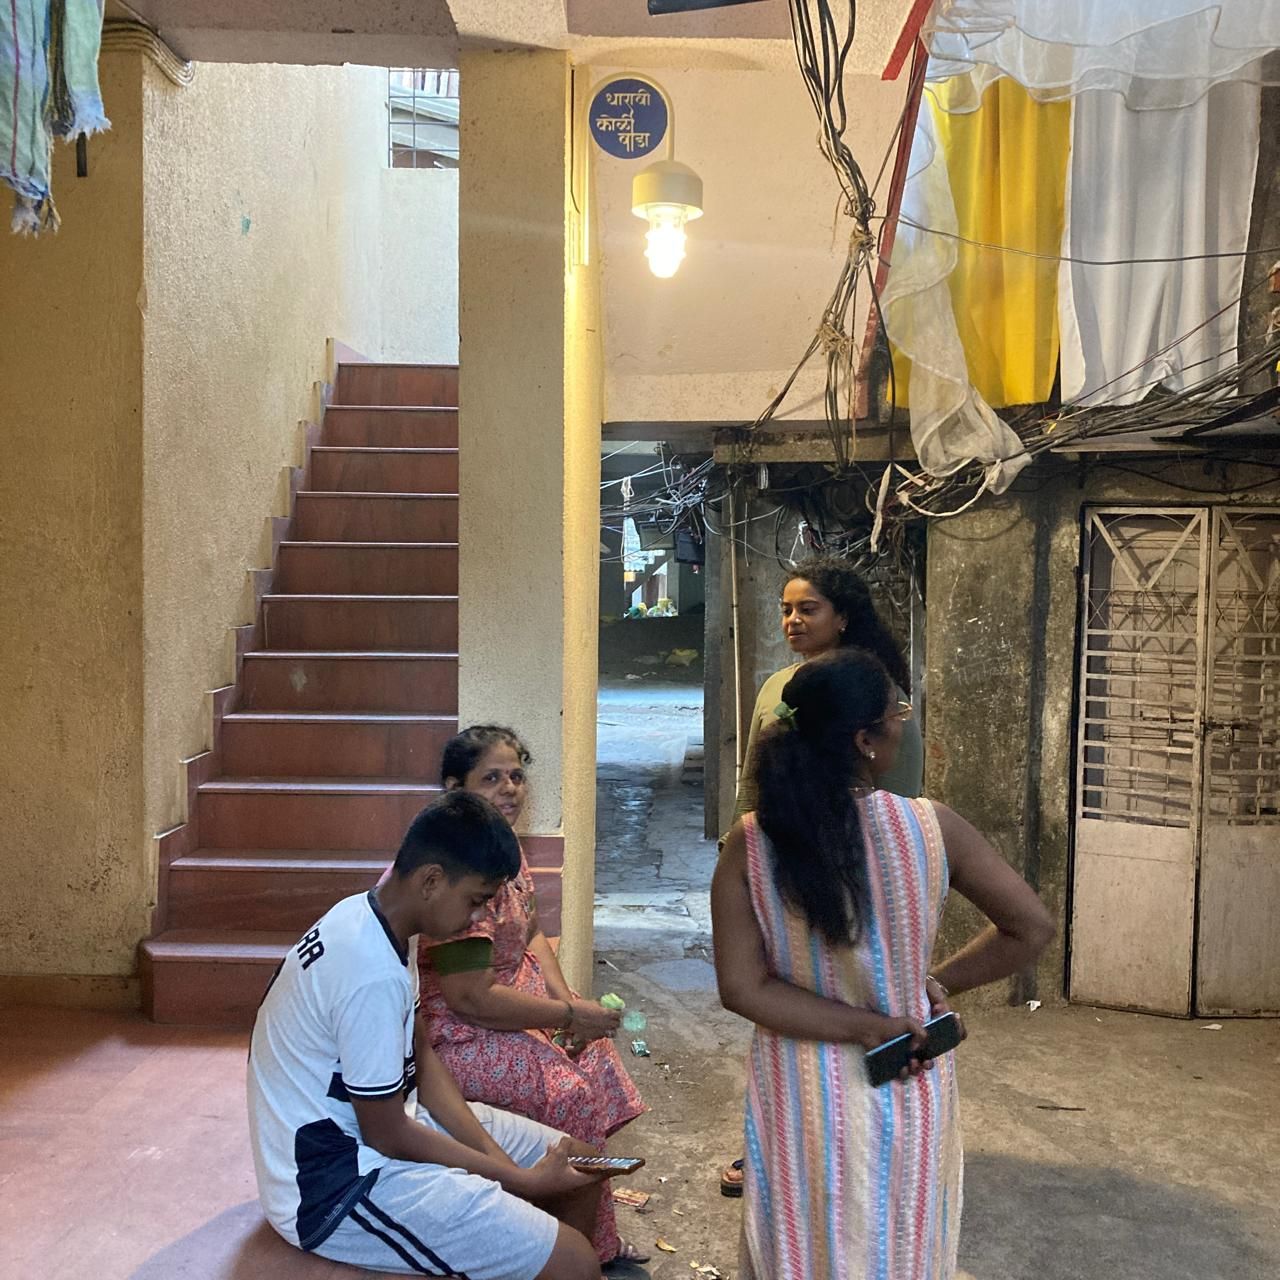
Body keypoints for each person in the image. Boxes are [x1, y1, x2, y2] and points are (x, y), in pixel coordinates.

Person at [711, 648, 1055, 1279]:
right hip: (907, 1078)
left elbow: (742, 987)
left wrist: (866, 1025)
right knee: (900, 1243)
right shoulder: (931, 827)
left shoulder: (751, 842)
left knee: (801, 1246)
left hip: (798, 1092)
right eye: (897, 711)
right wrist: (933, 985)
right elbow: (1030, 928)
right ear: (865, 740)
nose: (904, 722)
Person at [247, 790, 610, 1280]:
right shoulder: (369, 971)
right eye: (476, 900)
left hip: (384, 1129)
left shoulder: (382, 920)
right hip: (335, 1183)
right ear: (432, 881)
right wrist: (516, 1180)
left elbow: (421, 1053)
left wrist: (503, 1166)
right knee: (577, 1262)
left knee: (583, 1167)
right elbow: (387, 1135)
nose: (479, 917)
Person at [721, 552, 923, 1195]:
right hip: (782, 860)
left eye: (807, 608)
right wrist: (738, 851)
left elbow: (899, 798)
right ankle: (770, 1148)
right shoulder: (775, 689)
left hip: (857, 870)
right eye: (785, 609)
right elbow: (754, 778)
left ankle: (875, 1150)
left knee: (856, 997)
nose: (792, 620)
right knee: (780, 1002)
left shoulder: (878, 696)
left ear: (843, 617)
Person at [419, 725, 649, 1266]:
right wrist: (566, 1014)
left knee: (596, 1057)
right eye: (491, 778)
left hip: (508, 996)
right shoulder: (455, 867)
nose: (509, 789)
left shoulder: (502, 844)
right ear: (454, 788)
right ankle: (568, 1252)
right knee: (570, 1092)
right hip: (459, 1027)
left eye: (517, 776)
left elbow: (531, 932)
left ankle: (585, 1230)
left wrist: (570, 1005)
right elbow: (470, 998)